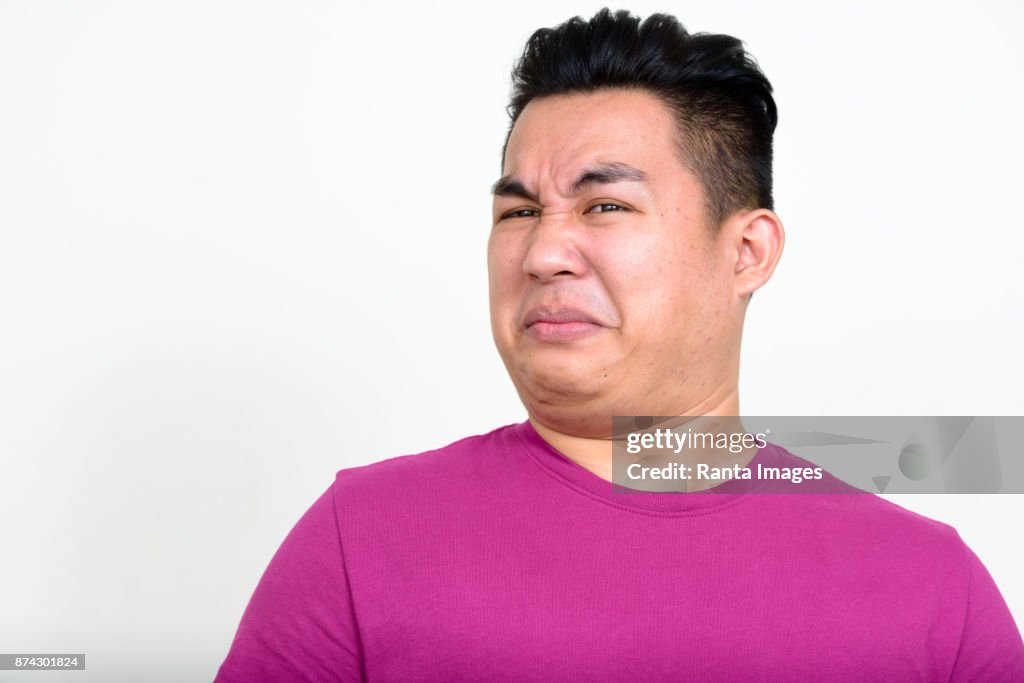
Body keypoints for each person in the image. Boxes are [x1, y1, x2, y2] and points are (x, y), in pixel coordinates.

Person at [216, 9, 1024, 681]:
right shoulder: (360, 542)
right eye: (518, 212)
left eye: (603, 207)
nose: (542, 253)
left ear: (747, 252)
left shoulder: (932, 594)